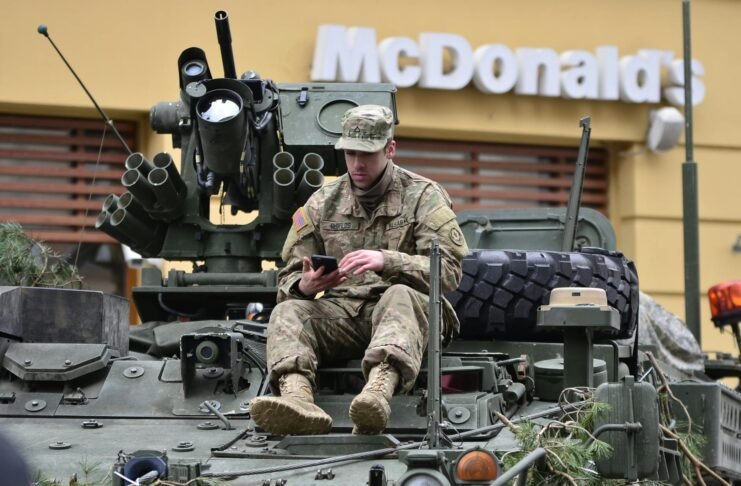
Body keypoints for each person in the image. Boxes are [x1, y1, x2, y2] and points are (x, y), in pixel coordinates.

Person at [249, 105, 468, 435]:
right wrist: (306, 285)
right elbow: (289, 277)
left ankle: (378, 393)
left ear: (389, 149)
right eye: (350, 153)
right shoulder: (323, 202)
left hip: (412, 318)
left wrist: (388, 261)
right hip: (343, 316)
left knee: (398, 294)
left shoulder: (424, 196)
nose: (357, 163)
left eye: (367, 153)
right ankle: (297, 400)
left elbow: (450, 271)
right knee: (288, 311)